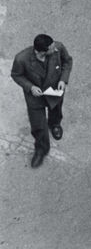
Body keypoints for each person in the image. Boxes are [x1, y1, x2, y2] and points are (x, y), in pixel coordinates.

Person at [11, 34, 73, 168]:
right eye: (51, 48)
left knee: (56, 110)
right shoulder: (22, 59)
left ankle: (55, 124)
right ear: (41, 51)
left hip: (54, 90)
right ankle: (41, 149)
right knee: (38, 126)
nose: (55, 49)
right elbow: (16, 75)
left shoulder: (58, 47)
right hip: (35, 97)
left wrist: (63, 79)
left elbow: (67, 62)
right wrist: (30, 87)